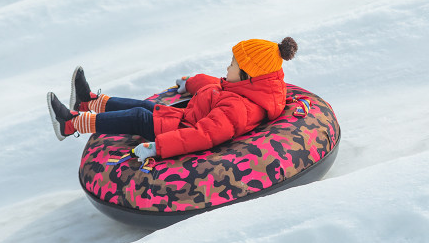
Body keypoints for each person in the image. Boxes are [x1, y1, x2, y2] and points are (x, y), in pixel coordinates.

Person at [47, 36, 297, 160]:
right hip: (181, 118)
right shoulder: (246, 90)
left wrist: (160, 147)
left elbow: (205, 135)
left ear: (247, 75)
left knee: (138, 117)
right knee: (147, 106)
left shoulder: (238, 108)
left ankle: (70, 124)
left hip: (178, 131)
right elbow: (216, 85)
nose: (227, 68)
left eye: (232, 65)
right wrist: (190, 83)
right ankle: (88, 102)